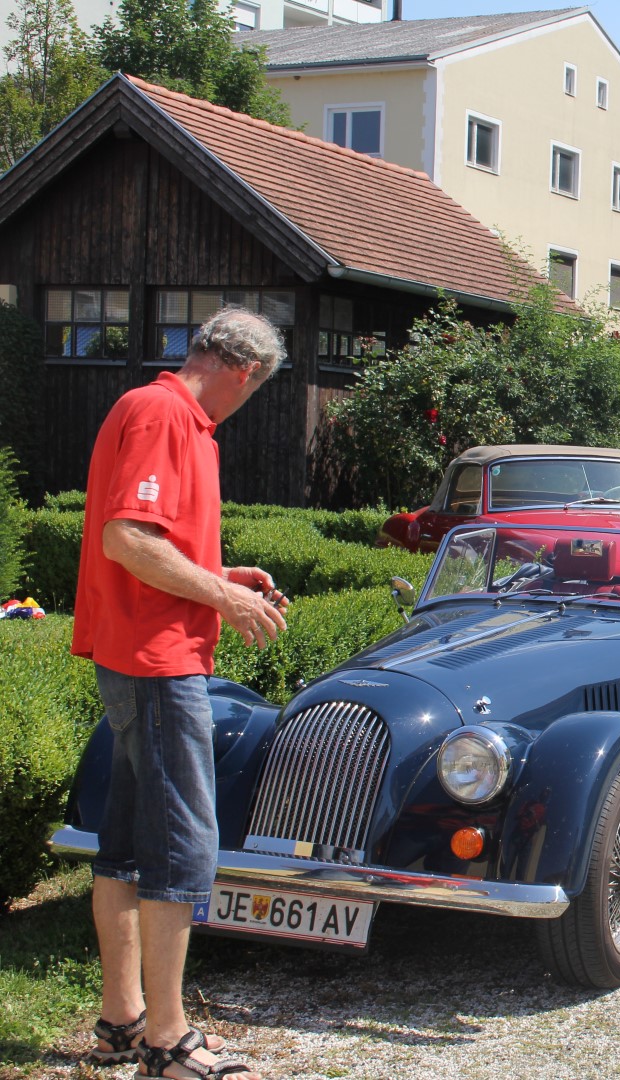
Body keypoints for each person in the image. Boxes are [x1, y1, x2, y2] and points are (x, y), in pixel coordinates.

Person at [73, 309, 288, 1080]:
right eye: (256, 390)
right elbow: (127, 540)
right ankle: (168, 1041)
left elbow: (150, 542)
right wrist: (226, 603)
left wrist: (221, 577)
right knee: (179, 848)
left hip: (137, 654)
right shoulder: (169, 413)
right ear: (244, 372)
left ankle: (122, 1021)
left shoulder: (155, 408)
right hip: (160, 665)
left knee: (126, 845)